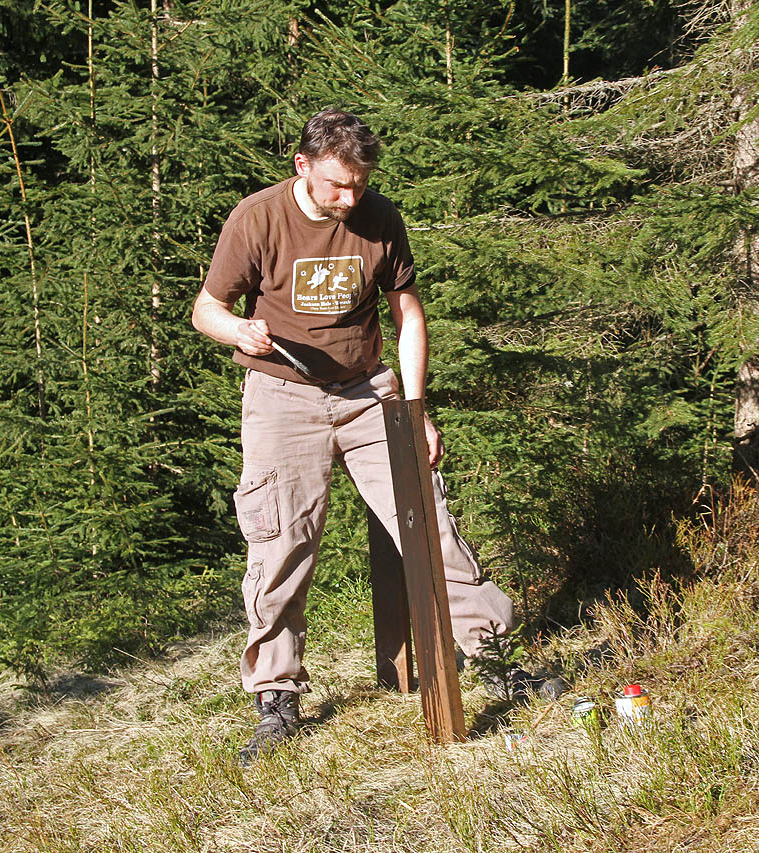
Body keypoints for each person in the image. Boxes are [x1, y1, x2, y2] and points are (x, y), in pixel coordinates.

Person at [192, 108, 566, 763]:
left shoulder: (381, 219)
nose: (350, 197)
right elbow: (207, 309)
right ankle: (276, 698)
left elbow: (409, 316)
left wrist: (415, 409)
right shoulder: (257, 218)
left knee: (430, 523)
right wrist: (238, 331)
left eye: (360, 184)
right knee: (281, 543)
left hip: (369, 392)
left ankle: (497, 661)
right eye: (339, 184)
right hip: (282, 395)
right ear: (302, 165)